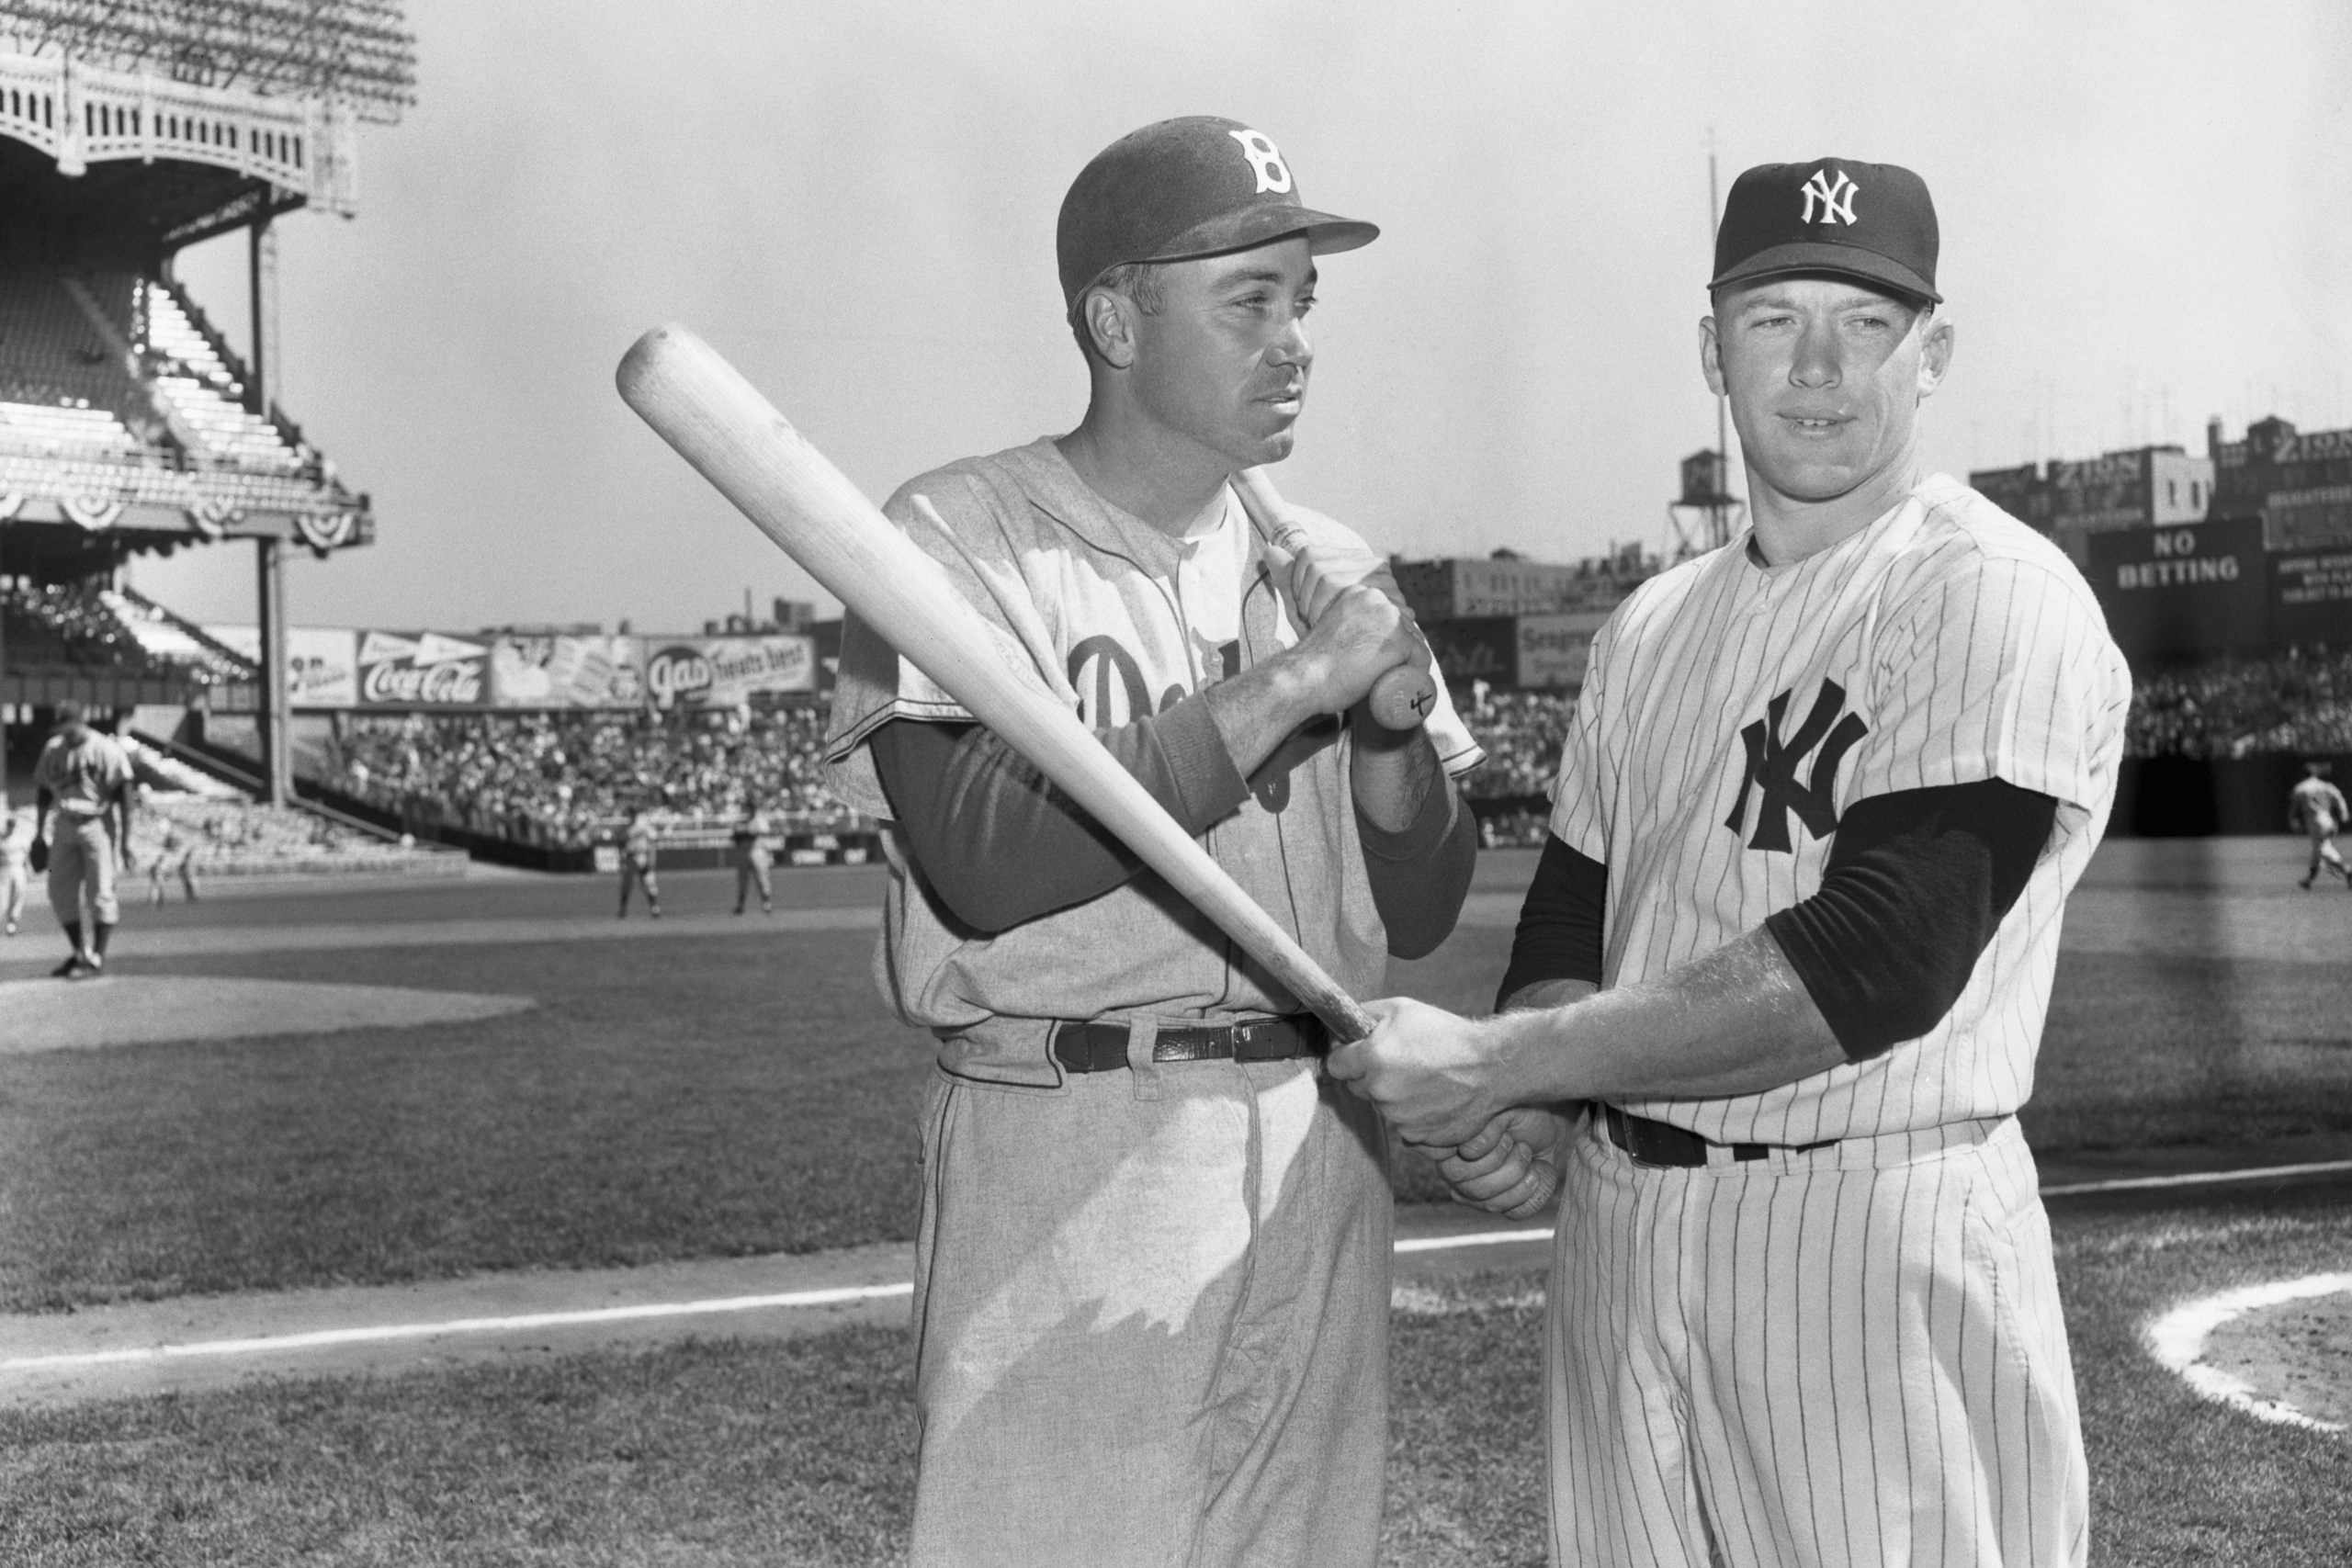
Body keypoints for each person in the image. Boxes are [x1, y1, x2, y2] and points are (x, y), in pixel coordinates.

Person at [1329, 158, 2130, 1567]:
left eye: (1865, 324)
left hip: (1868, 1234)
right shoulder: (1647, 627)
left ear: (1933, 351)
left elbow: (1880, 958)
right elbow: (1576, 908)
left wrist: (1516, 1066)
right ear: (1714, 348)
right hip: (1627, 1240)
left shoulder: (1987, 590)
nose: (1818, 367)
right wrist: (1547, 1112)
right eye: (1774, 319)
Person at [822, 116, 1482, 1568]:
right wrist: (1296, 685)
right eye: (1249, 300)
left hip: (1324, 1146)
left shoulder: (1333, 560)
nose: (1294, 339)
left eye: (1303, 301)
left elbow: (1424, 904)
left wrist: (1382, 731)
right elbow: (981, 858)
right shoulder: (952, 534)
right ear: (1115, 319)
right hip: (1070, 1141)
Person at [31, 701, 139, 979]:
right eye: (61, 727)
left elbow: (126, 798)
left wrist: (126, 841)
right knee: (58, 891)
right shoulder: (53, 749)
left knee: (101, 892)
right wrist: (39, 834)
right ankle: (81, 953)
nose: (64, 733)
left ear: (81, 722)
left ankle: (97, 958)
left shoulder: (105, 749)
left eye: (68, 726)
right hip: (63, 823)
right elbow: (44, 792)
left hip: (97, 824)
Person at [2290, 760, 2349, 888]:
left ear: (2303, 774)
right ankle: (2309, 881)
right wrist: (2344, 814)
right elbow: (2338, 797)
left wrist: (2294, 821)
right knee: (2324, 850)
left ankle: (2348, 871)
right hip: (2329, 821)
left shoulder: (2301, 787)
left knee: (2321, 852)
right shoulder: (2324, 785)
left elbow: (2294, 809)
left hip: (2316, 823)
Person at [730, 800, 775, 915]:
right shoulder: (742, 820)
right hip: (743, 851)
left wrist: (748, 833)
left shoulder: (759, 820)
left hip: (757, 850)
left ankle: (767, 904)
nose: (750, 810)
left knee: (762, 878)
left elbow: (763, 832)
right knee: (742, 880)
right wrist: (743, 834)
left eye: (752, 807)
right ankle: (740, 905)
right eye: (749, 807)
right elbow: (734, 836)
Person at [616, 805, 661, 918]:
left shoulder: (644, 826)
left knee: (648, 882)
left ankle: (654, 908)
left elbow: (653, 839)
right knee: (626, 884)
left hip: (642, 855)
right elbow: (621, 843)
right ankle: (623, 909)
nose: (632, 815)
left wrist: (651, 858)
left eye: (633, 813)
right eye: (630, 813)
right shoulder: (627, 828)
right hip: (630, 857)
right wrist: (622, 858)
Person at [147, 817, 201, 905]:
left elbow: (186, 850)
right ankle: (155, 899)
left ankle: (193, 896)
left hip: (175, 861)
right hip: (169, 863)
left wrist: (185, 860)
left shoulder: (176, 840)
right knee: (157, 876)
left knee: (189, 873)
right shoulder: (164, 843)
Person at [0, 806, 29, 936]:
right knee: (2, 899)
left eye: (13, 824)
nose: (11, 827)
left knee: (19, 893)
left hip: (18, 868)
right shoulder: (2, 839)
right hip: (4, 869)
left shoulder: (21, 838)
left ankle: (12, 922)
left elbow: (27, 857)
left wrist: (27, 871)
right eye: (9, 824)